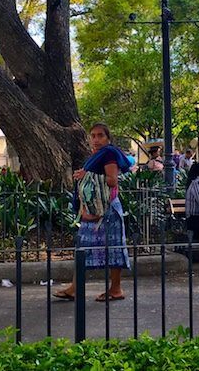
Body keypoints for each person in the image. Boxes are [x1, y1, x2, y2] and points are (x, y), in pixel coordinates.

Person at [54, 123, 131, 302]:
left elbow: (112, 181)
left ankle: (116, 289)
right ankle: (74, 288)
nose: (96, 140)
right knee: (84, 248)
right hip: (92, 210)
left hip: (108, 210)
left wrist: (86, 176)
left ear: (108, 138)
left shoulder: (109, 154)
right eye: (93, 136)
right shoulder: (96, 156)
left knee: (113, 248)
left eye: (100, 136)